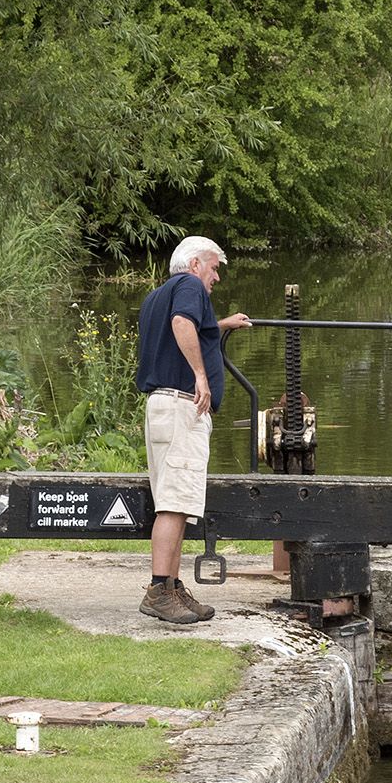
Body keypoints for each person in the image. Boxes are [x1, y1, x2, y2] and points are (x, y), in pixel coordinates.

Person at [134, 236, 251, 625]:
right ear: (195, 263)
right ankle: (157, 590)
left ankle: (171, 587)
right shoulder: (188, 286)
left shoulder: (158, 295)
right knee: (173, 501)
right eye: (214, 267)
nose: (216, 276)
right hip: (182, 405)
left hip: (165, 405)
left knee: (179, 502)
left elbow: (184, 329)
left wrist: (221, 325)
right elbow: (183, 322)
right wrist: (201, 376)